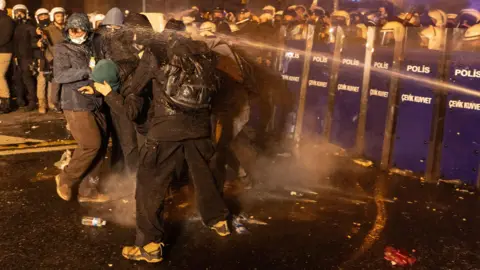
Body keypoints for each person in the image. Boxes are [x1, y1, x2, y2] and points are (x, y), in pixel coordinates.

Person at [121, 32, 230, 264]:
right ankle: (218, 220)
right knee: (205, 175)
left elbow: (136, 86)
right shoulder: (203, 54)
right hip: (200, 127)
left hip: (166, 130)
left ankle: (149, 245)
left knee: (150, 184)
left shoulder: (156, 52)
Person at [54, 13, 109, 203]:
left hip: (96, 99)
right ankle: (66, 178)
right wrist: (88, 70)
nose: (75, 33)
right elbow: (60, 75)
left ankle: (88, 191)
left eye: (79, 29)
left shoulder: (92, 46)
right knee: (91, 144)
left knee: (100, 146)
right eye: (72, 29)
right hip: (75, 102)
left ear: (86, 30)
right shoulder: (63, 48)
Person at [12, 4, 38, 111]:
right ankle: (20, 100)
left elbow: (34, 42)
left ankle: (32, 101)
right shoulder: (13, 26)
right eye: (17, 12)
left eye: (21, 12)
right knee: (18, 79)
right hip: (16, 56)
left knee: (28, 79)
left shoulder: (30, 26)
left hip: (27, 57)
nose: (19, 14)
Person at [44, 7, 66, 111]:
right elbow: (46, 46)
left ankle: (65, 103)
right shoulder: (48, 30)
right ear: (53, 17)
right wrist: (51, 59)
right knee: (56, 83)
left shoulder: (67, 28)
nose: (60, 18)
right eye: (58, 16)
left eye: (62, 15)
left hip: (68, 57)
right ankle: (55, 103)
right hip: (56, 59)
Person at [34, 8, 51, 114]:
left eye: (46, 15)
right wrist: (36, 43)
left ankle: (51, 102)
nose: (44, 17)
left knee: (52, 81)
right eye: (41, 16)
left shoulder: (52, 28)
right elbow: (28, 43)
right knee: (41, 81)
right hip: (41, 58)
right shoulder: (34, 29)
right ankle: (42, 104)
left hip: (51, 57)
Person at [0, 0, 14, 114]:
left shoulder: (6, 20)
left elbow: (5, 37)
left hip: (4, 51)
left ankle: (6, 103)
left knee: (0, 76)